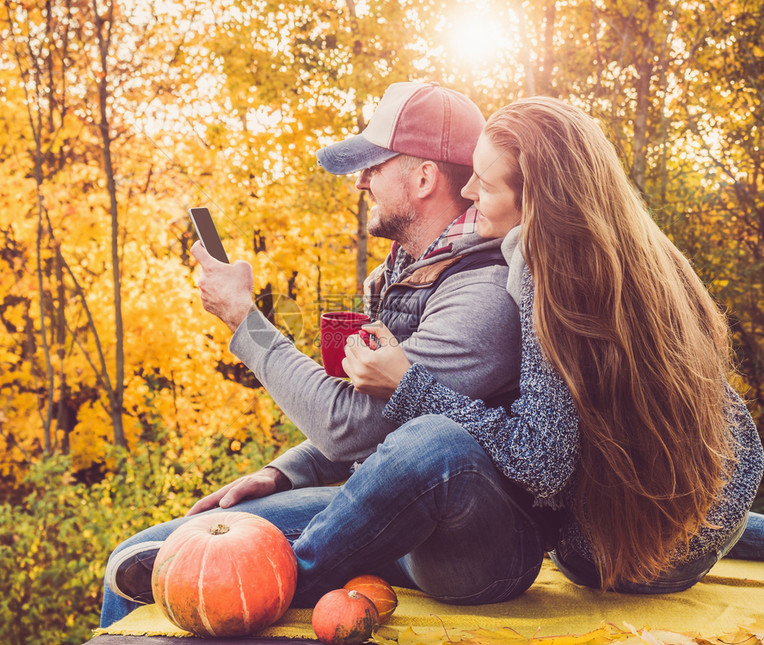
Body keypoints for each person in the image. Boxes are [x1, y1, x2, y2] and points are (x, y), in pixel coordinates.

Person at [99, 81, 526, 627]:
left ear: (423, 177)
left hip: (467, 547)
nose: (362, 180)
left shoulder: (483, 292)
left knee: (196, 572)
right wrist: (284, 471)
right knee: (147, 556)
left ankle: (274, 580)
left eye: (375, 165)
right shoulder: (395, 278)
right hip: (388, 512)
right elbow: (374, 427)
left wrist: (243, 322)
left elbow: (351, 425)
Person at [342, 96, 764, 591]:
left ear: (537, 201)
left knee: (554, 529)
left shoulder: (544, 274)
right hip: (726, 492)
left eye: (486, 182)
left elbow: (541, 461)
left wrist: (408, 385)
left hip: (637, 559)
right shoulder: (648, 253)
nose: (470, 190)